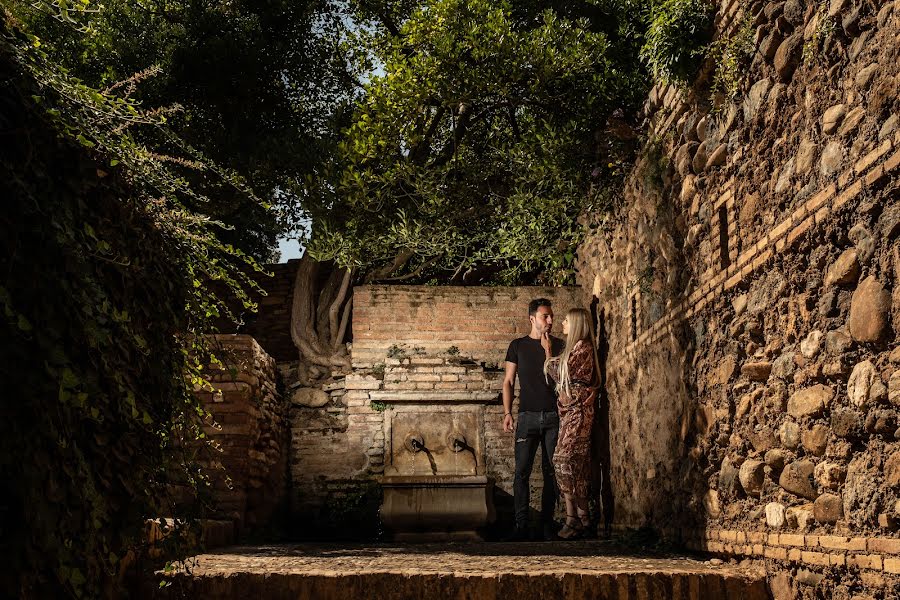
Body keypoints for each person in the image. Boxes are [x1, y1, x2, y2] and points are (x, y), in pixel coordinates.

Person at [502, 298, 565, 541]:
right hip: (526, 416)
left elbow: (562, 381)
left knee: (552, 472)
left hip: (553, 416)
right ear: (532, 319)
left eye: (551, 316)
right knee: (522, 472)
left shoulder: (559, 345)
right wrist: (507, 413)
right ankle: (521, 525)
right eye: (545, 317)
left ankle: (547, 525)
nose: (550, 321)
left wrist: (549, 352)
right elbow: (508, 382)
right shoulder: (517, 346)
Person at [542, 308, 600, 540]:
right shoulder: (576, 349)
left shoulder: (583, 348)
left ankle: (574, 518)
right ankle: (581, 518)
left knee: (564, 459)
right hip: (570, 413)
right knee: (576, 463)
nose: (562, 324)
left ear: (576, 324)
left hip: (578, 413)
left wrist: (547, 354)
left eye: (566, 320)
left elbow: (559, 372)